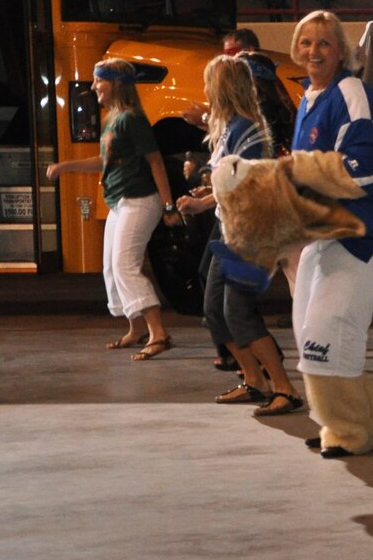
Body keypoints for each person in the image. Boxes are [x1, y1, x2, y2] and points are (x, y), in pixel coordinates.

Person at [289, 10, 373, 459]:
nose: (314, 51)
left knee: (328, 333)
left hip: (363, 235)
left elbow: (371, 162)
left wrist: (302, 174)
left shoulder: (350, 92)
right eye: (306, 43)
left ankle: (350, 431)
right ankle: (341, 421)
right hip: (324, 236)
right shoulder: (309, 98)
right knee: (308, 334)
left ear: (342, 51)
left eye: (323, 43)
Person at [177, 55, 303, 417]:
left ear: (222, 88)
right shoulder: (230, 127)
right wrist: (205, 195)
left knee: (236, 309)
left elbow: (246, 182)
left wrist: (203, 205)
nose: (203, 91)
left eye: (208, 84)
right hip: (231, 225)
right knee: (215, 310)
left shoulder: (245, 129)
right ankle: (255, 380)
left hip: (250, 229)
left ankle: (284, 387)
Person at [45, 58, 181, 359]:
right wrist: (65, 167)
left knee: (125, 265)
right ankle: (136, 328)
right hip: (119, 202)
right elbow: (103, 162)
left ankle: (159, 333)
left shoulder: (132, 118)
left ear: (115, 84)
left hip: (140, 200)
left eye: (98, 80)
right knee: (110, 267)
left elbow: (155, 161)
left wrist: (168, 204)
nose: (93, 87)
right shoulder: (112, 118)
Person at [224, 27, 296, 152]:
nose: (229, 61)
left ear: (249, 50)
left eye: (232, 53)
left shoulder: (261, 81)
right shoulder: (258, 79)